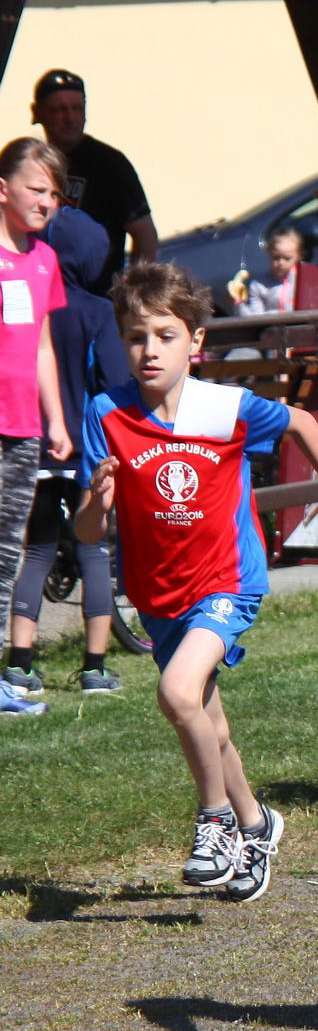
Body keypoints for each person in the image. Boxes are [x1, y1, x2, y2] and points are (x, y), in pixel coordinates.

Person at [75, 261, 318, 902]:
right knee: (209, 721)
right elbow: (89, 531)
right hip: (157, 595)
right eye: (136, 337)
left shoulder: (224, 408)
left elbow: (303, 423)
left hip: (226, 580)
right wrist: (99, 500)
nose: (150, 350)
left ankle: (216, 823)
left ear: (196, 341)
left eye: (165, 335)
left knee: (177, 693)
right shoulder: (107, 413)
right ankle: (257, 824)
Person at [7, 207, 128, 696]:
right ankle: (95, 669)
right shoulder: (99, 311)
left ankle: (19, 664)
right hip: (88, 448)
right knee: (93, 550)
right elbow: (115, 380)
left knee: (37, 549)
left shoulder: (36, 298)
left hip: (37, 441)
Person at [0, 138, 75, 717]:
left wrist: (56, 418)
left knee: (5, 557)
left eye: (54, 193)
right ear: (2, 189)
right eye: (36, 188)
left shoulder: (44, 259)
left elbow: (44, 346)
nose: (46, 201)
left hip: (24, 430)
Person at [29, 69, 157, 295]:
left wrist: (135, 296)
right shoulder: (27, 164)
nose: (70, 118)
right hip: (37, 294)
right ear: (37, 112)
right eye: (59, 109)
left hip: (95, 298)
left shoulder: (109, 163)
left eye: (77, 108)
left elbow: (145, 234)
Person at [234, 225, 305, 316]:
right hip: (272, 325)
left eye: (287, 258)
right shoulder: (259, 286)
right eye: (276, 258)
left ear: (299, 257)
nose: (281, 263)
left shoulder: (305, 281)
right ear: (269, 254)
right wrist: (238, 304)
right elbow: (254, 319)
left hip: (302, 324)